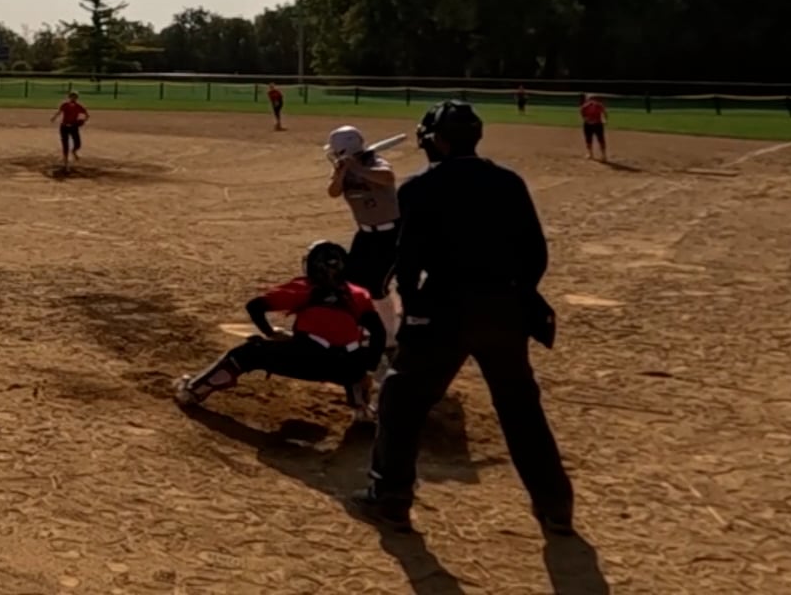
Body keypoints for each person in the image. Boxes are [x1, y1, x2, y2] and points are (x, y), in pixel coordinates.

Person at [353, 100, 574, 538]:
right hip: (505, 308)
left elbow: (408, 261)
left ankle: (390, 498)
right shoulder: (508, 182)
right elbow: (536, 253)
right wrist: (516, 295)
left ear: (437, 141)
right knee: (520, 406)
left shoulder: (420, 188)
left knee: (401, 399)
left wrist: (413, 308)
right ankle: (555, 506)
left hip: (445, 308)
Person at [174, 241, 384, 422]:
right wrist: (367, 370)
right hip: (346, 369)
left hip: (305, 359)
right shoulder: (358, 294)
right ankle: (361, 406)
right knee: (353, 353)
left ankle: (193, 391)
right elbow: (379, 333)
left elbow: (255, 306)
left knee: (248, 352)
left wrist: (271, 333)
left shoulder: (304, 288)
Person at [326, 126, 403, 358]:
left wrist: (358, 168)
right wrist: (342, 171)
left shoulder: (374, 161)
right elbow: (333, 192)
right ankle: (371, 325)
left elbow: (387, 177)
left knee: (376, 285)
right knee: (352, 281)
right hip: (366, 235)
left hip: (391, 234)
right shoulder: (343, 169)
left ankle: (390, 338)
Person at [53, 91, 88, 169]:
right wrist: (54, 117)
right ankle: (66, 162)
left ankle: (74, 151)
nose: (73, 98)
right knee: (65, 144)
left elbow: (87, 115)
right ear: (69, 97)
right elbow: (59, 112)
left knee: (78, 144)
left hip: (74, 127)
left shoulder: (79, 106)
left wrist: (83, 121)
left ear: (77, 98)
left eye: (75, 97)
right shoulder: (64, 105)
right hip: (64, 127)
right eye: (72, 97)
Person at [580, 94, 608, 161]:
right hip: (588, 125)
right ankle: (590, 154)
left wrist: (604, 119)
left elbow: (604, 113)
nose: (592, 100)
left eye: (593, 98)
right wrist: (586, 119)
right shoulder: (584, 107)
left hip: (598, 124)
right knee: (588, 139)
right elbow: (582, 114)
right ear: (587, 99)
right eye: (590, 99)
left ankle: (603, 155)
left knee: (601, 139)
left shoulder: (599, 105)